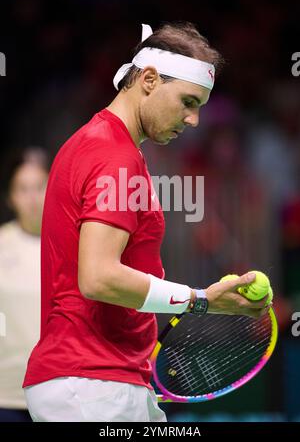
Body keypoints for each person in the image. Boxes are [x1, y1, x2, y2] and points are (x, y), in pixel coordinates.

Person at [23, 22, 269, 422]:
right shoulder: (112, 155)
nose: (193, 121)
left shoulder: (101, 144)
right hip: (92, 383)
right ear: (150, 80)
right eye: (188, 102)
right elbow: (98, 278)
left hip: (101, 381)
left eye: (200, 108)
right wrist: (202, 300)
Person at [0, 147, 49, 422]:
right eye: (23, 188)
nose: (33, 197)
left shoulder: (76, 249)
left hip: (57, 393)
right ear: (10, 196)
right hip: (5, 394)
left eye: (40, 186)